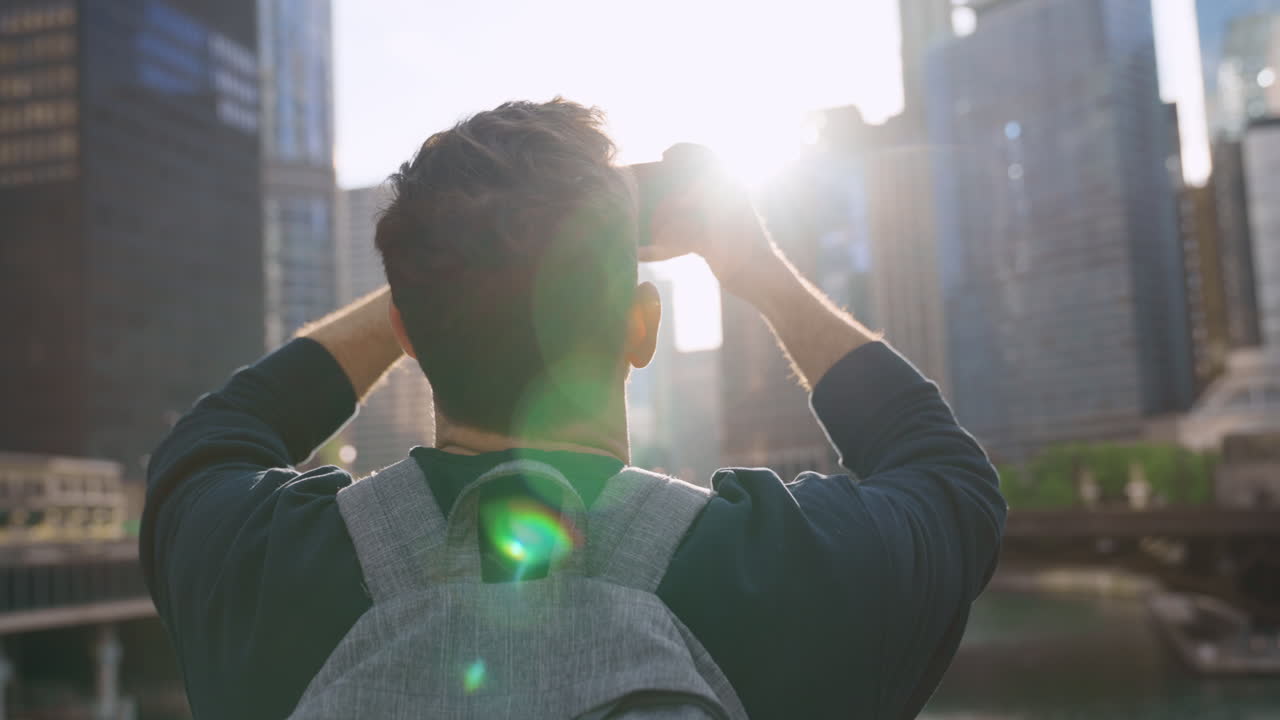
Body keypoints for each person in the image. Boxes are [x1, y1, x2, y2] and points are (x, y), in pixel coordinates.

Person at [141, 98, 1006, 719]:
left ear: (405, 334)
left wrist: (446, 271)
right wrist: (754, 267)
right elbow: (947, 477)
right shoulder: (783, 577)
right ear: (642, 327)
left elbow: (207, 446)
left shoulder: (261, 573)